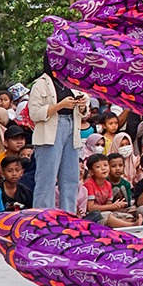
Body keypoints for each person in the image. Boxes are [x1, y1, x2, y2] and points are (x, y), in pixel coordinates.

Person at [28, 64, 89, 213]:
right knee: (46, 180)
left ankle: (69, 215)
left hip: (72, 128)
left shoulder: (73, 81)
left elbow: (84, 111)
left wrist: (81, 106)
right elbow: (34, 113)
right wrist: (60, 105)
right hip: (50, 130)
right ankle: (43, 218)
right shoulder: (40, 84)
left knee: (71, 178)